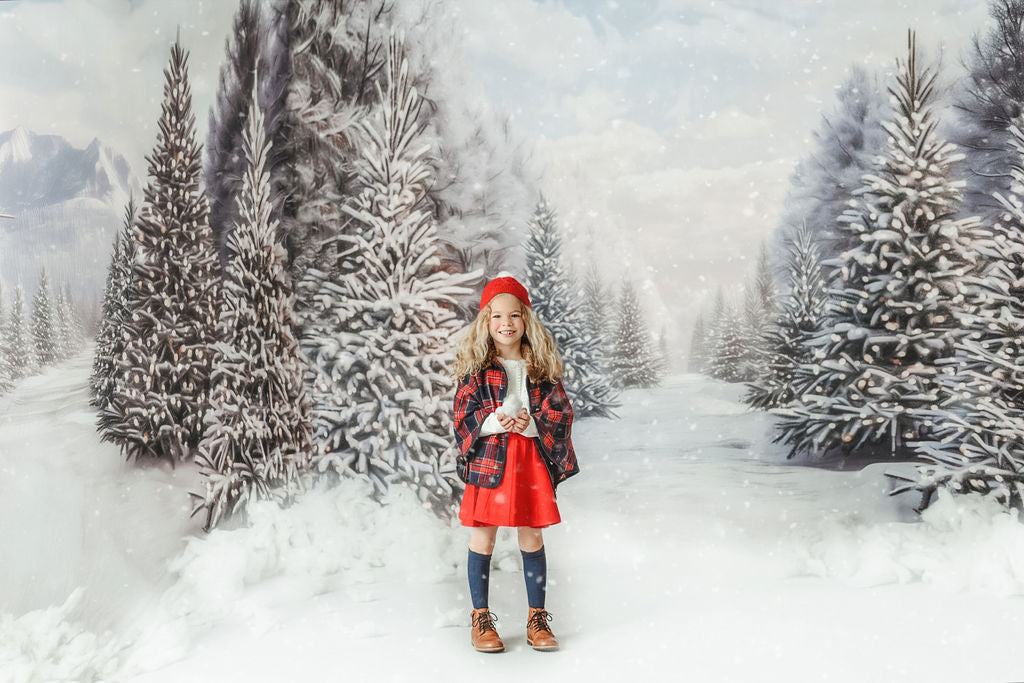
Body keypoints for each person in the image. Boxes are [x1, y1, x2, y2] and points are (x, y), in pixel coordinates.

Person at [452, 275, 580, 653]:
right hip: (490, 459)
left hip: (528, 459)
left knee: (532, 535)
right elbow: (462, 415)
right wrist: (493, 421)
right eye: (496, 316)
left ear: (525, 320)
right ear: (485, 322)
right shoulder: (476, 367)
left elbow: (561, 414)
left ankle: (536, 619)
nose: (505, 324)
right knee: (483, 535)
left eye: (513, 315)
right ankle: (480, 619)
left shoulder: (539, 367)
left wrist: (533, 424)